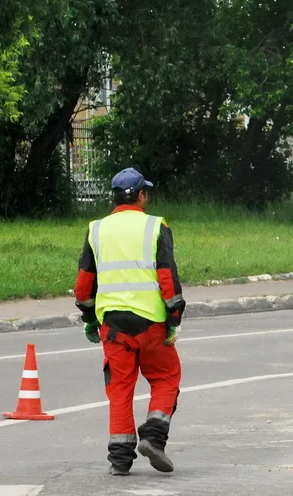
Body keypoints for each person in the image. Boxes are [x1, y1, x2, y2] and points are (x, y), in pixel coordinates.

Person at [74, 167, 185, 476]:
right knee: (166, 378)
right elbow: (167, 276)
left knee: (120, 389)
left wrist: (88, 317)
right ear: (141, 195)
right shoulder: (155, 226)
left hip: (113, 326)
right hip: (151, 323)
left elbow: (84, 282)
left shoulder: (96, 229)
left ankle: (120, 460)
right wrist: (174, 317)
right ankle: (152, 437)